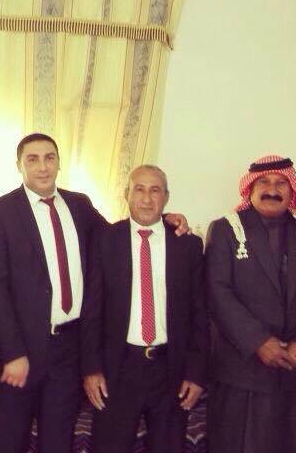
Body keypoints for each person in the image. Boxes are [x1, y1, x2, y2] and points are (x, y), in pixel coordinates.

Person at [0, 133, 189, 453]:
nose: (42, 167)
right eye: (32, 159)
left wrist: (164, 220)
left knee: (58, 440)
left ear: (59, 163)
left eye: (49, 158)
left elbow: (122, 235)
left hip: (69, 350)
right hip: (23, 351)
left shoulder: (79, 205)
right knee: (10, 438)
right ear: (19, 165)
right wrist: (12, 353)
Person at [205, 154, 296, 453]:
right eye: (264, 183)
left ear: (292, 190)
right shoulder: (226, 230)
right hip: (243, 372)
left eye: (281, 183)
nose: (272, 190)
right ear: (250, 189)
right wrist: (259, 342)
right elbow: (217, 293)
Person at [80, 165, 207, 453]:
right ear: (127, 194)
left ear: (166, 197)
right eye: (139, 189)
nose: (147, 199)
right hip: (118, 368)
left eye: (155, 190)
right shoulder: (104, 240)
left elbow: (199, 314)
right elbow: (92, 310)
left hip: (171, 370)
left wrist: (197, 372)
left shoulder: (188, 245)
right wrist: (91, 369)